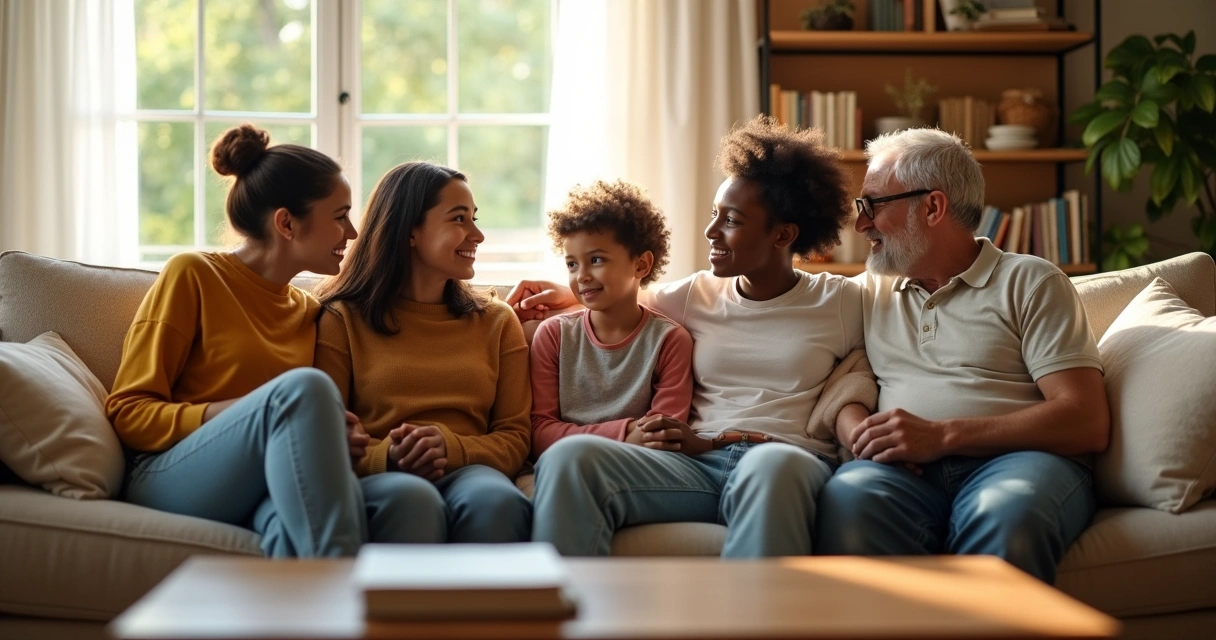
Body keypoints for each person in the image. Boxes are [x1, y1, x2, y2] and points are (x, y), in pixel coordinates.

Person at [509, 115, 875, 557]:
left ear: (783, 234)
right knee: (570, 459)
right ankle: (563, 620)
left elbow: (905, 328)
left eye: (732, 220)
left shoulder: (840, 302)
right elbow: (624, 292)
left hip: (784, 459)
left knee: (773, 469)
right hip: (692, 466)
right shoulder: (693, 295)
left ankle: (751, 624)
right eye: (714, 214)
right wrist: (566, 296)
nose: (710, 231)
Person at [814, 128, 1111, 584]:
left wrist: (943, 436)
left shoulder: (1031, 282)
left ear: (933, 207)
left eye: (874, 205)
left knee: (1009, 516)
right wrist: (861, 435)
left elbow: (1085, 419)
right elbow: (845, 379)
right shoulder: (867, 291)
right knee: (850, 500)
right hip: (903, 472)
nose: (861, 224)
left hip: (1019, 461)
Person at [107, 124, 393, 557]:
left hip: (262, 479)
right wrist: (244, 412)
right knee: (305, 390)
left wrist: (335, 434)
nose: (351, 234)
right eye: (339, 216)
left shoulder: (309, 310)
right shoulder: (194, 276)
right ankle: (347, 607)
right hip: (168, 472)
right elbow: (129, 413)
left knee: (309, 526)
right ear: (286, 223)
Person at [313, 161, 533, 544]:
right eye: (459, 219)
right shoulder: (341, 318)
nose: (477, 235)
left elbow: (515, 437)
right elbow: (323, 438)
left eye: (474, 218)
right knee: (412, 500)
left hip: (470, 469)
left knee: (497, 502)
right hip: (383, 475)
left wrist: (452, 447)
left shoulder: (497, 320)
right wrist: (390, 457)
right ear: (411, 231)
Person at [529, 180, 693, 459]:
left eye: (596, 260)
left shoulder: (670, 341)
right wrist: (627, 432)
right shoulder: (553, 335)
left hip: (632, 470)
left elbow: (662, 436)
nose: (581, 276)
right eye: (572, 264)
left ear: (641, 265)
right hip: (563, 463)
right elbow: (539, 432)